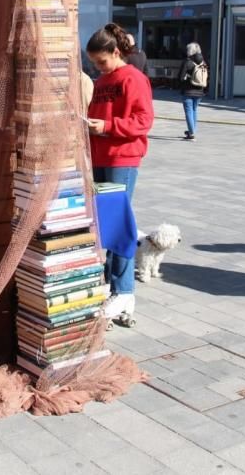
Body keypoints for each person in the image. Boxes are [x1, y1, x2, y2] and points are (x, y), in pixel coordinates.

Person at [85, 23, 155, 320]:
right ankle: (114, 287)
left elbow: (143, 120)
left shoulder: (133, 79)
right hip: (100, 156)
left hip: (121, 158)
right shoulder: (101, 82)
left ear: (116, 52)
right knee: (105, 225)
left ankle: (123, 291)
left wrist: (108, 127)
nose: (99, 68)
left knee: (117, 225)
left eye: (101, 62)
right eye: (94, 64)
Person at [178, 42, 207, 141]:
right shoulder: (203, 62)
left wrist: (186, 79)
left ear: (190, 51)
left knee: (189, 111)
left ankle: (192, 133)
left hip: (188, 91)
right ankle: (192, 130)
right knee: (194, 110)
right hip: (200, 91)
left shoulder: (187, 62)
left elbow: (181, 77)